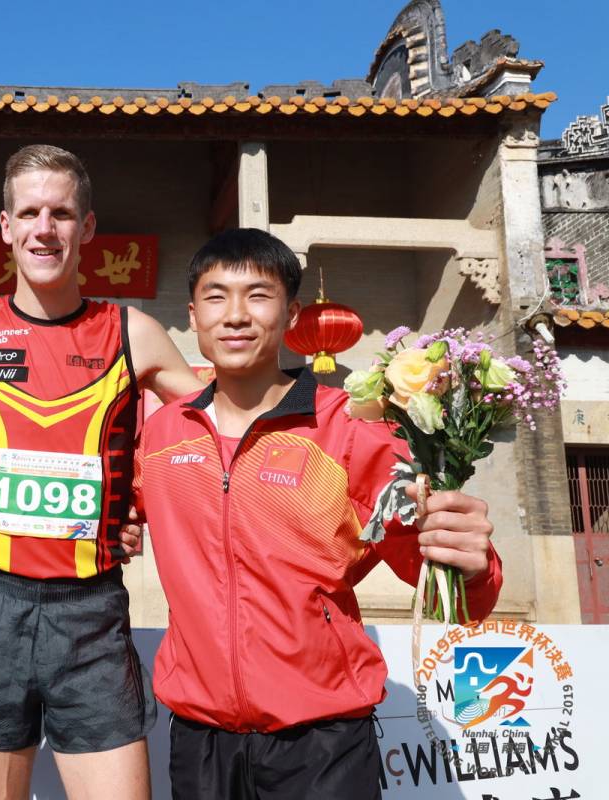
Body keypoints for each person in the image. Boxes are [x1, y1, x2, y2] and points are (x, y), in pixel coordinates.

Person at [134, 228, 502, 799]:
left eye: (258, 295)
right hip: (200, 739)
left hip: (323, 741)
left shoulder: (350, 432)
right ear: (192, 315)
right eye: (216, 296)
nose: (235, 315)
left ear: (291, 314)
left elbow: (443, 582)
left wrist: (471, 564)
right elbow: (117, 518)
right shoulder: (160, 433)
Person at [0, 144, 204, 800]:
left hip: (91, 612)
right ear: (5, 227)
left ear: (88, 227)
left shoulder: (134, 331)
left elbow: (208, 439)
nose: (43, 228)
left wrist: (134, 494)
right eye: (29, 213)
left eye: (61, 213)